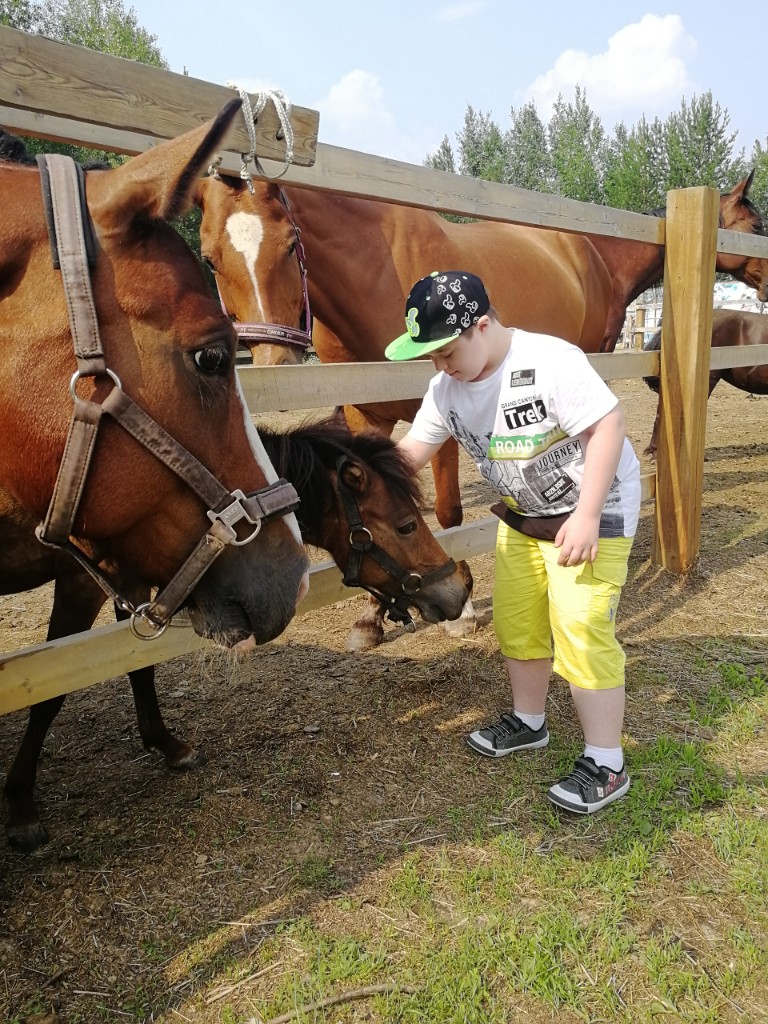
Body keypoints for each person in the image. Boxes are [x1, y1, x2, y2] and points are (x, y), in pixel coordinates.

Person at [385, 270, 641, 814]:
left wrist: (590, 515)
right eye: (430, 356)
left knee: (581, 624)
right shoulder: (446, 388)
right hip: (527, 517)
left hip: (593, 510)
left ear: (482, 326)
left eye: (447, 352)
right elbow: (408, 455)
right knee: (517, 620)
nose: (440, 366)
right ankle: (529, 723)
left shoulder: (550, 362)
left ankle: (607, 761)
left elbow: (608, 426)